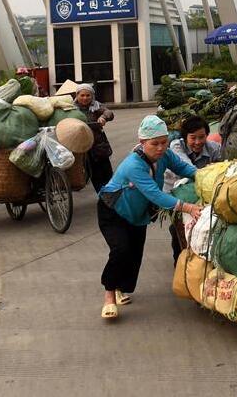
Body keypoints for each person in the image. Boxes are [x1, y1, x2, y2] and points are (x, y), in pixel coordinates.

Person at [97, 115, 200, 319]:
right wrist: (187, 207)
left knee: (134, 253)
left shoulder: (166, 155)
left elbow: (184, 168)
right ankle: (109, 294)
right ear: (142, 142)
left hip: (137, 213)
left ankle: (121, 289)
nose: (161, 148)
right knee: (120, 249)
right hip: (113, 211)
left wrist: (206, 175)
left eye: (164, 142)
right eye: (155, 144)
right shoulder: (134, 165)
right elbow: (155, 194)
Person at [164, 115, 223, 263]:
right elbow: (187, 168)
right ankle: (179, 261)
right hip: (176, 193)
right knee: (177, 229)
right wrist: (210, 172)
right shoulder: (176, 146)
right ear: (185, 137)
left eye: (202, 137)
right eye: (193, 138)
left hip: (200, 194)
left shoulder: (214, 148)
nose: (198, 142)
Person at [73, 83, 115, 192]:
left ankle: (113, 194)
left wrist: (103, 117)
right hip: (83, 147)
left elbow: (108, 112)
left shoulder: (96, 106)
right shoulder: (71, 109)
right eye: (82, 95)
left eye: (88, 95)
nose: (85, 98)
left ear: (92, 96)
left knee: (107, 173)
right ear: (77, 96)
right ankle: (103, 197)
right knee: (95, 175)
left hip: (99, 145)